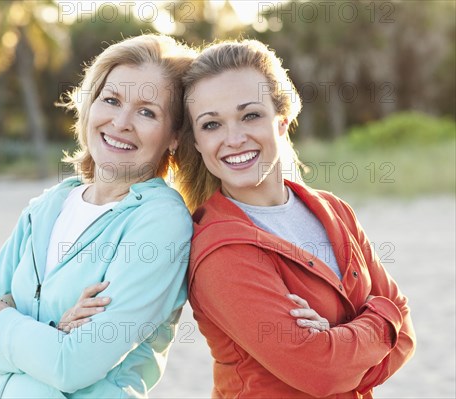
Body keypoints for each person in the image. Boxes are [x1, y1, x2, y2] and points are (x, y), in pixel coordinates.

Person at [0, 34, 196, 398]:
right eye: (111, 100)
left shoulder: (161, 222)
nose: (121, 122)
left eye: (147, 111)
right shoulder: (47, 206)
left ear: (174, 136)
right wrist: (53, 334)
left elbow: (71, 367)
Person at [176, 40, 416, 398]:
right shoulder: (219, 250)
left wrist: (340, 340)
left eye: (251, 115)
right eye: (212, 125)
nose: (235, 139)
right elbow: (323, 372)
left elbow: (406, 335)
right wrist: (380, 321)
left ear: (282, 121)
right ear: (196, 141)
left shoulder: (333, 210)